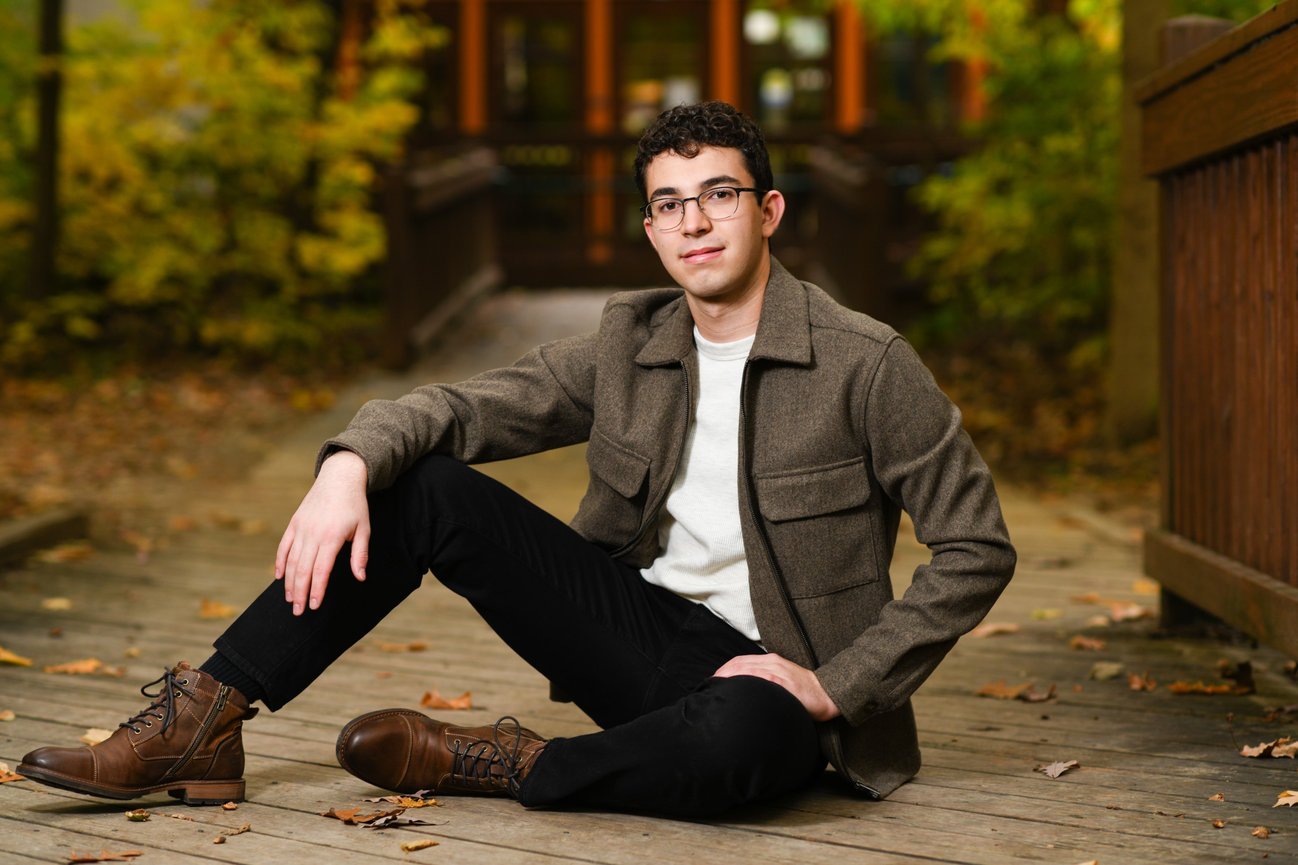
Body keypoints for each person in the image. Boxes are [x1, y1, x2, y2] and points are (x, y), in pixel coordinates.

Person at [18, 101, 1015, 815]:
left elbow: (975, 547)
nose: (695, 221)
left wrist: (836, 683)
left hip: (785, 689)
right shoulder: (630, 345)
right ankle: (203, 720)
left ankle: (507, 762)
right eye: (669, 204)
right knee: (424, 481)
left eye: (719, 193)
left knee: (744, 739)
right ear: (650, 229)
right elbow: (456, 408)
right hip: (640, 640)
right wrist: (345, 466)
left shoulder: (865, 363)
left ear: (770, 210)